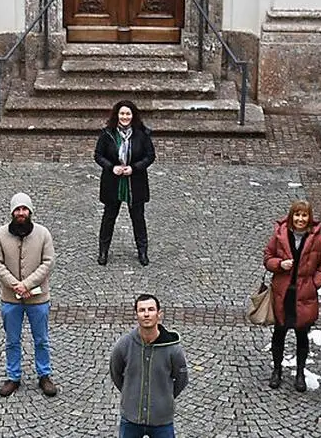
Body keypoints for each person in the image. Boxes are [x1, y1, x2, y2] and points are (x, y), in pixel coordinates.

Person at [262, 200, 321, 392]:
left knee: (302, 336)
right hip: (283, 295)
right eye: (297, 215)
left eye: (304, 215)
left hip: (304, 296)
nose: (300, 219)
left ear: (309, 218)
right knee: (279, 334)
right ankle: (276, 370)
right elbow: (267, 257)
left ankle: (300, 373)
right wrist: (279, 264)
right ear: (291, 216)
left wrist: (315, 283)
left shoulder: (317, 239)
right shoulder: (280, 236)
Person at [0, 192, 57, 397]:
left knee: (41, 339)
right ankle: (13, 376)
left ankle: (44, 375)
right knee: (12, 340)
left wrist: (26, 284)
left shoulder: (43, 234)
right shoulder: (0, 234)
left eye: (24, 209)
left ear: (30, 211)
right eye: (17, 209)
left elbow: (48, 262)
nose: (21, 213)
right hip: (10, 298)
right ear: (12, 212)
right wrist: (14, 284)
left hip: (38, 299)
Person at [109, 294, 188, 438]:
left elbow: (182, 379)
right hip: (131, 419)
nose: (146, 314)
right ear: (136, 315)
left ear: (159, 314)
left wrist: (166, 397)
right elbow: (115, 372)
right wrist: (130, 394)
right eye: (142, 310)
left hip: (162, 421)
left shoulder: (173, 349)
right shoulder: (124, 345)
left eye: (151, 309)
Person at [94, 100, 156, 266]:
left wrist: (134, 168)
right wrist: (111, 167)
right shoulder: (107, 134)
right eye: (122, 113)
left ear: (133, 115)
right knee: (109, 217)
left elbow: (150, 156)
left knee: (138, 218)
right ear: (117, 115)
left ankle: (142, 251)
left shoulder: (142, 134)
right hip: (113, 182)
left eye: (128, 114)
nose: (125, 117)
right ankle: (103, 251)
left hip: (135, 182)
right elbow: (98, 155)